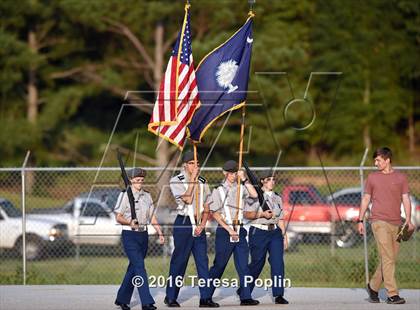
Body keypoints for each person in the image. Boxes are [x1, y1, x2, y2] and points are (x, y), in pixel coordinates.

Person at [358, 147, 414, 305]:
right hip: (378, 221)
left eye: (378, 160)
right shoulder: (372, 178)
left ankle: (373, 287)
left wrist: (408, 220)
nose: (375, 163)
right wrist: (360, 220)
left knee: (389, 259)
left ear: (387, 159)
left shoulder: (401, 177)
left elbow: (406, 199)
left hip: (397, 222)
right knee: (388, 258)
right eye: (375, 160)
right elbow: (365, 199)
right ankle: (392, 294)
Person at [164, 151, 219, 308]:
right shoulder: (176, 180)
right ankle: (171, 297)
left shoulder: (203, 181)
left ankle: (205, 298)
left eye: (198, 164)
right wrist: (193, 180)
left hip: (199, 223)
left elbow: (207, 205)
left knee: (202, 261)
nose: (196, 166)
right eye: (192, 163)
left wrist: (202, 224)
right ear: (185, 165)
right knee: (180, 261)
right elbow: (187, 199)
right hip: (184, 223)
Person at [207, 160, 260, 306]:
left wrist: (244, 179)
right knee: (220, 265)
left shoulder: (240, 188)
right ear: (224, 173)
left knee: (243, 265)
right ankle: (206, 295)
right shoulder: (218, 190)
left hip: (240, 229)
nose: (232, 175)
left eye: (235, 172)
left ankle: (245, 296)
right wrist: (230, 230)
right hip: (225, 231)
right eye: (230, 173)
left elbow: (254, 195)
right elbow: (215, 214)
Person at [114, 168, 165, 310]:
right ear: (130, 180)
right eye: (137, 180)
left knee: (133, 268)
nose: (140, 182)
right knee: (140, 267)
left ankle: (122, 299)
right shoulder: (124, 195)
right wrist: (129, 222)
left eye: (141, 180)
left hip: (143, 235)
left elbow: (152, 216)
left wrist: (160, 232)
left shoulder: (147, 196)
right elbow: (118, 217)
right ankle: (147, 302)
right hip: (130, 235)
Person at [243, 170, 289, 304]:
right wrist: (261, 215)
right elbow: (247, 214)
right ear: (262, 181)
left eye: (274, 179)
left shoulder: (277, 197)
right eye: (269, 179)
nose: (272, 182)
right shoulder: (254, 195)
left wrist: (284, 235)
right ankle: (245, 290)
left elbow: (280, 218)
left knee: (278, 263)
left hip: (274, 233)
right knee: (257, 263)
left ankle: (278, 294)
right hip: (258, 231)